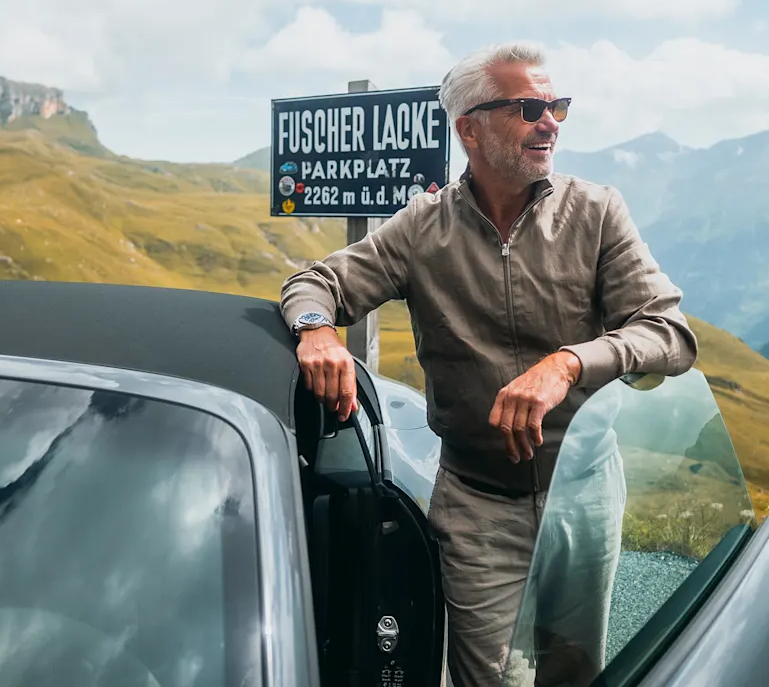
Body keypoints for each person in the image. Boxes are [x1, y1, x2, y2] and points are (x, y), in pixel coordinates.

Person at [279, 41, 698, 686]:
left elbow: (669, 334)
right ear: (469, 128)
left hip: (583, 491)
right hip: (477, 503)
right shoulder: (422, 229)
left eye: (555, 105)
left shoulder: (596, 211)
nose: (550, 121)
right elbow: (314, 283)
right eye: (529, 107)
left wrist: (568, 364)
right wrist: (316, 331)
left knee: (574, 671)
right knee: (489, 680)